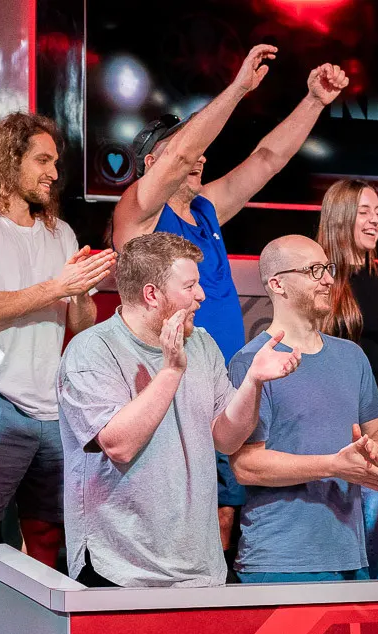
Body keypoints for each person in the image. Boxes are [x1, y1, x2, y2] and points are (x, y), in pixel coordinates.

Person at [112, 44, 349, 554]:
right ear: (152, 163)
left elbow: (268, 159)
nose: (200, 154)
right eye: (187, 145)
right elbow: (180, 154)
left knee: (225, 517)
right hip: (166, 383)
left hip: (222, 386)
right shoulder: (139, 212)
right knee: (175, 518)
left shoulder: (206, 208)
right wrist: (239, 87)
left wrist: (313, 101)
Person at [0, 112, 115, 634]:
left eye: (56, 163)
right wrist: (56, 285)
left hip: (51, 408)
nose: (53, 173)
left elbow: (79, 325)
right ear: (8, 159)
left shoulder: (61, 234)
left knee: (45, 533)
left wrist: (79, 291)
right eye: (42, 160)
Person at [57, 233, 299, 587]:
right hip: (121, 568)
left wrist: (253, 382)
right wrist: (171, 370)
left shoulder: (201, 342)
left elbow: (227, 439)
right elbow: (119, 445)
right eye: (189, 286)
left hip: (200, 568)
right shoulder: (92, 350)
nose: (201, 295)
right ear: (152, 294)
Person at [228, 235, 378, 583]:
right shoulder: (252, 361)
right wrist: (334, 465)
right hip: (281, 561)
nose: (329, 279)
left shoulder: (351, 356)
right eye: (314, 270)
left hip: (350, 555)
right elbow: (246, 466)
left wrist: (377, 449)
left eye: (328, 268)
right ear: (278, 284)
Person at [317, 179, 378, 577]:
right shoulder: (322, 277)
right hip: (333, 405)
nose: (374, 220)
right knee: (338, 504)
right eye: (364, 212)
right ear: (341, 217)